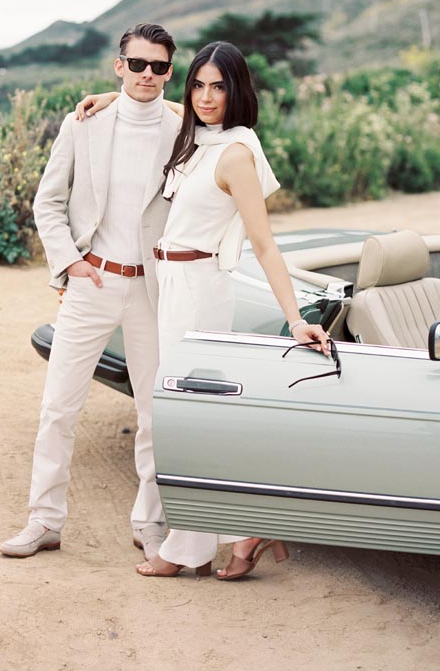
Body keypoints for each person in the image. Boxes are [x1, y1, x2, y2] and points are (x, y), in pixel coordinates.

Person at [78, 41, 329, 580]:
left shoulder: (236, 152)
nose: (207, 96)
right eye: (198, 85)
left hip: (199, 289)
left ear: (237, 90)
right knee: (198, 418)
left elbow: (264, 245)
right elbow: (176, 109)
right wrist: (113, 96)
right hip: (171, 283)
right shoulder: (197, 136)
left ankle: (186, 548)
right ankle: (245, 530)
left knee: (187, 419)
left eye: (220, 86)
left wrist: (296, 319)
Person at [0, 23, 182, 560]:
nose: (149, 74)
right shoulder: (84, 124)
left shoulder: (184, 127)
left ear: (170, 72)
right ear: (119, 64)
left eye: (160, 66)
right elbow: (47, 203)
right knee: (58, 406)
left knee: (154, 413)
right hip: (92, 281)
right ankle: (44, 520)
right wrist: (71, 263)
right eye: (139, 63)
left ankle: (149, 523)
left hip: (153, 289)